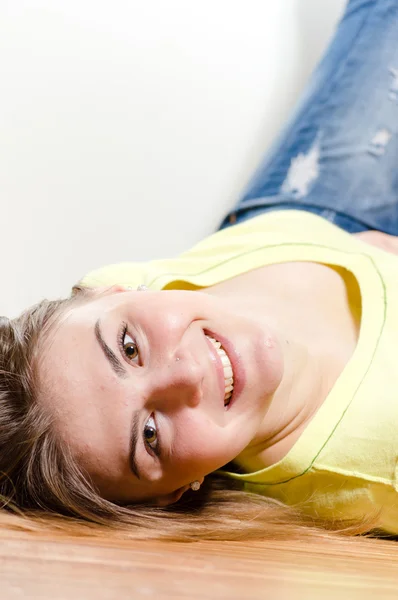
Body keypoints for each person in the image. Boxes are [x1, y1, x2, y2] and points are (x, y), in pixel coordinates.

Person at [1, 0, 398, 542]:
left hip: (305, 215)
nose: (185, 375)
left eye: (130, 347)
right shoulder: (377, 468)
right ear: (172, 492)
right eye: (149, 435)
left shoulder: (122, 288)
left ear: (109, 289)